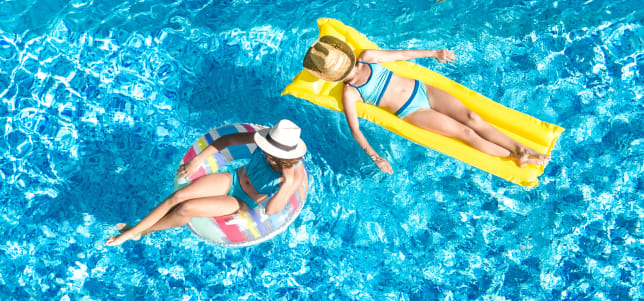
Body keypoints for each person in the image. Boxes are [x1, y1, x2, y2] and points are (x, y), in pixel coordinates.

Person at [302, 35, 550, 174]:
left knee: (473, 117)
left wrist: (433, 52)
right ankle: (515, 156)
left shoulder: (367, 57)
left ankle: (522, 149)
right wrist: (375, 157)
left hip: (424, 90)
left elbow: (400, 54)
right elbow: (355, 130)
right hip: (412, 111)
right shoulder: (350, 92)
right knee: (466, 133)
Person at [105, 120, 308, 246]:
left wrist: (287, 183)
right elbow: (227, 140)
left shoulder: (293, 175)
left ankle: (140, 231)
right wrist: (198, 160)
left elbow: (271, 210)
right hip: (233, 179)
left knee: (186, 207)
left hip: (242, 201)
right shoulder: (266, 139)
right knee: (178, 196)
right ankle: (133, 231)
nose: (264, 149)